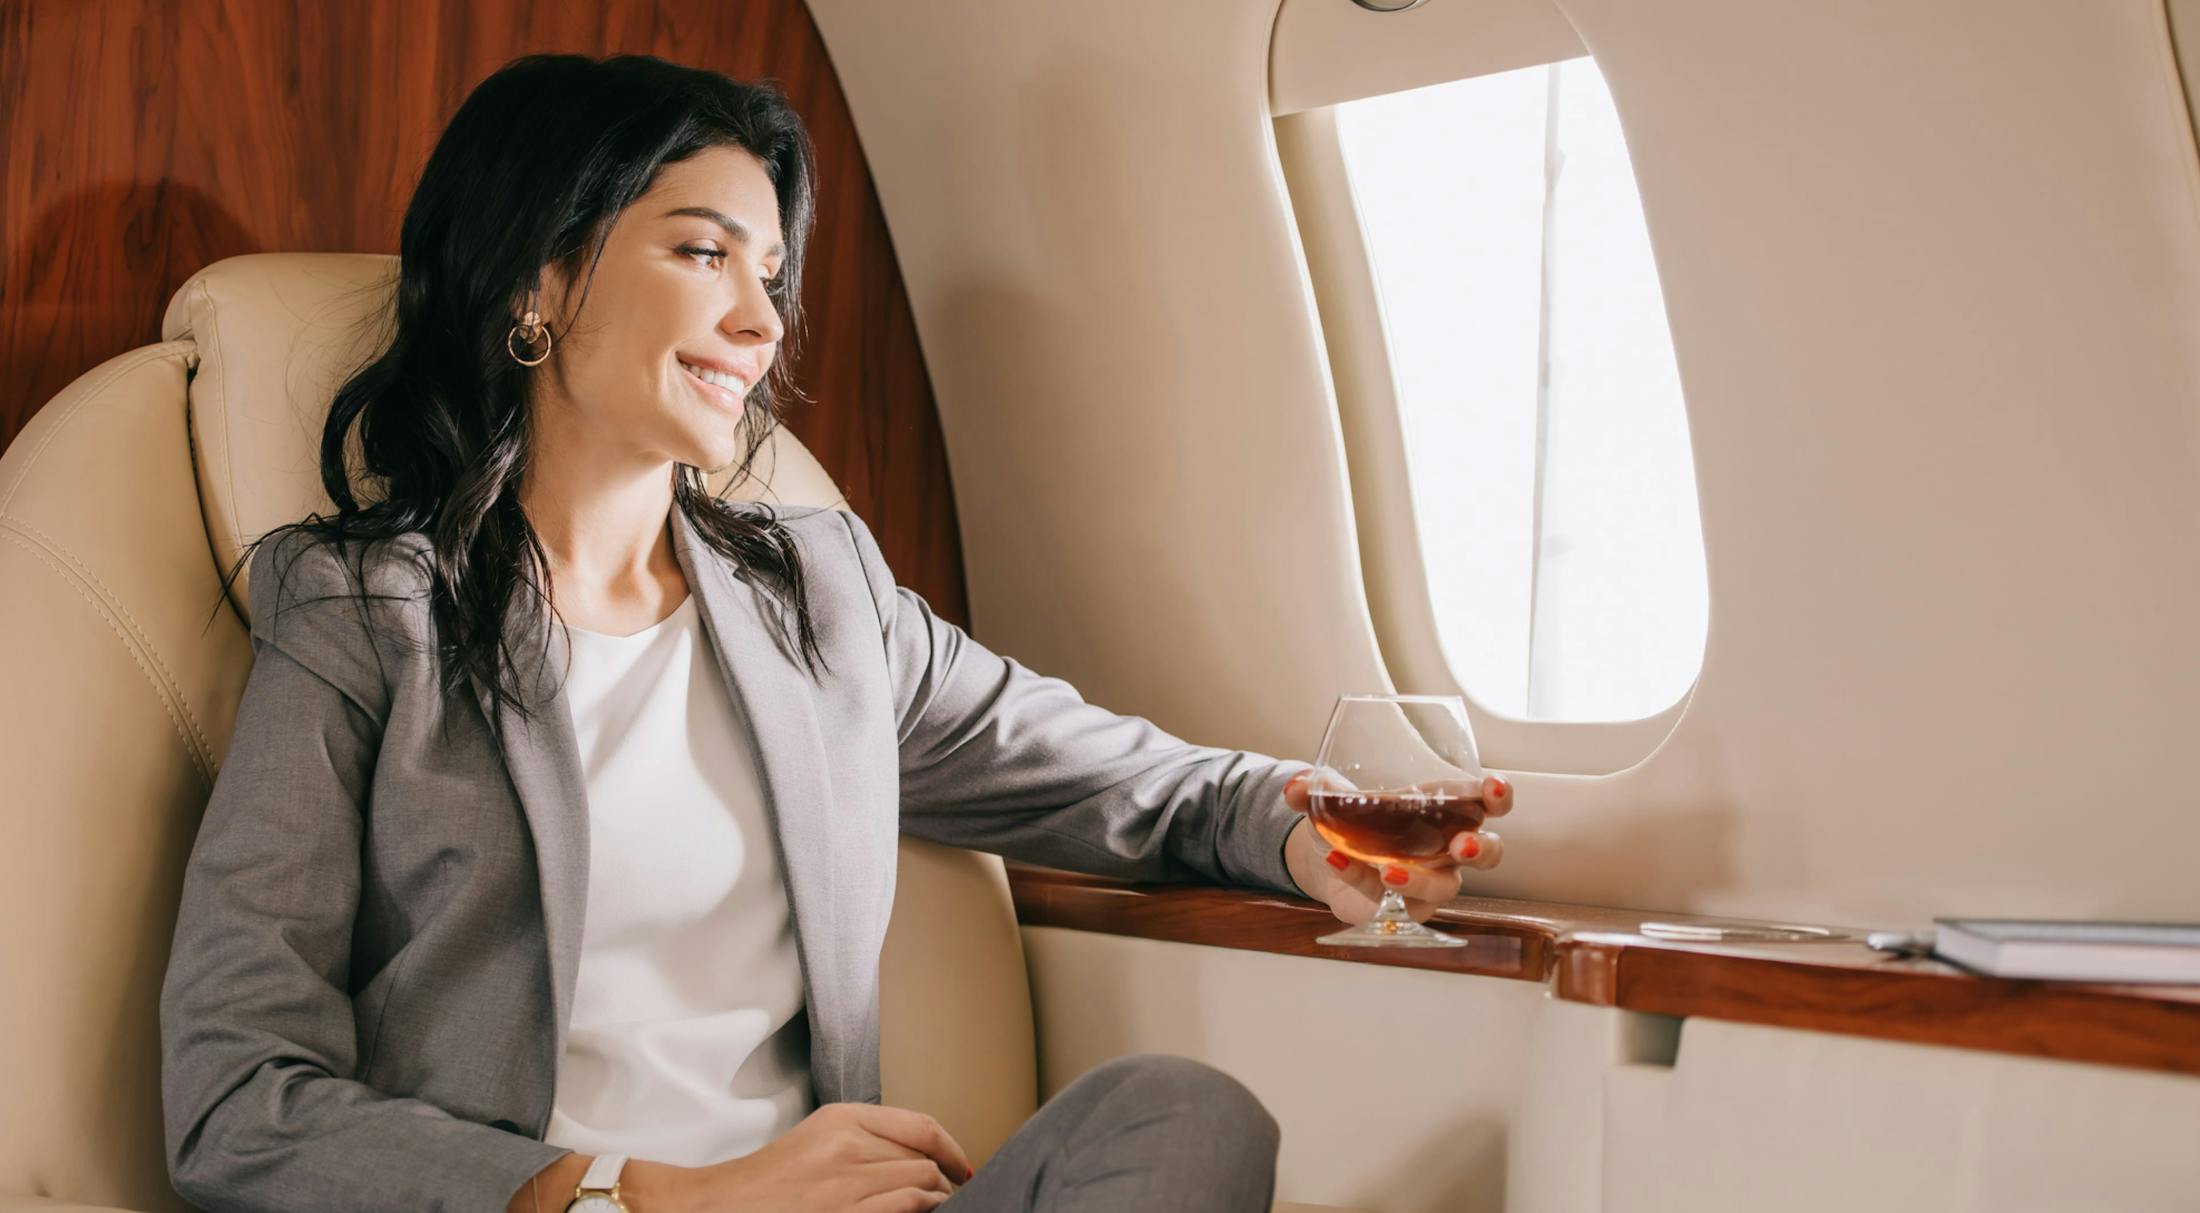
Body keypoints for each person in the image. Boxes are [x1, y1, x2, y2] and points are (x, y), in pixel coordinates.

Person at [156, 52, 1514, 1213]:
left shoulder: (817, 597)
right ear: (542, 280)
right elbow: (235, 1098)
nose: (761, 321)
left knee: (1179, 1116)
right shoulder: (366, 622)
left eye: (771, 271)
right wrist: (658, 1194)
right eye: (703, 252)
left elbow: (1121, 780)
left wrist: (1307, 830)